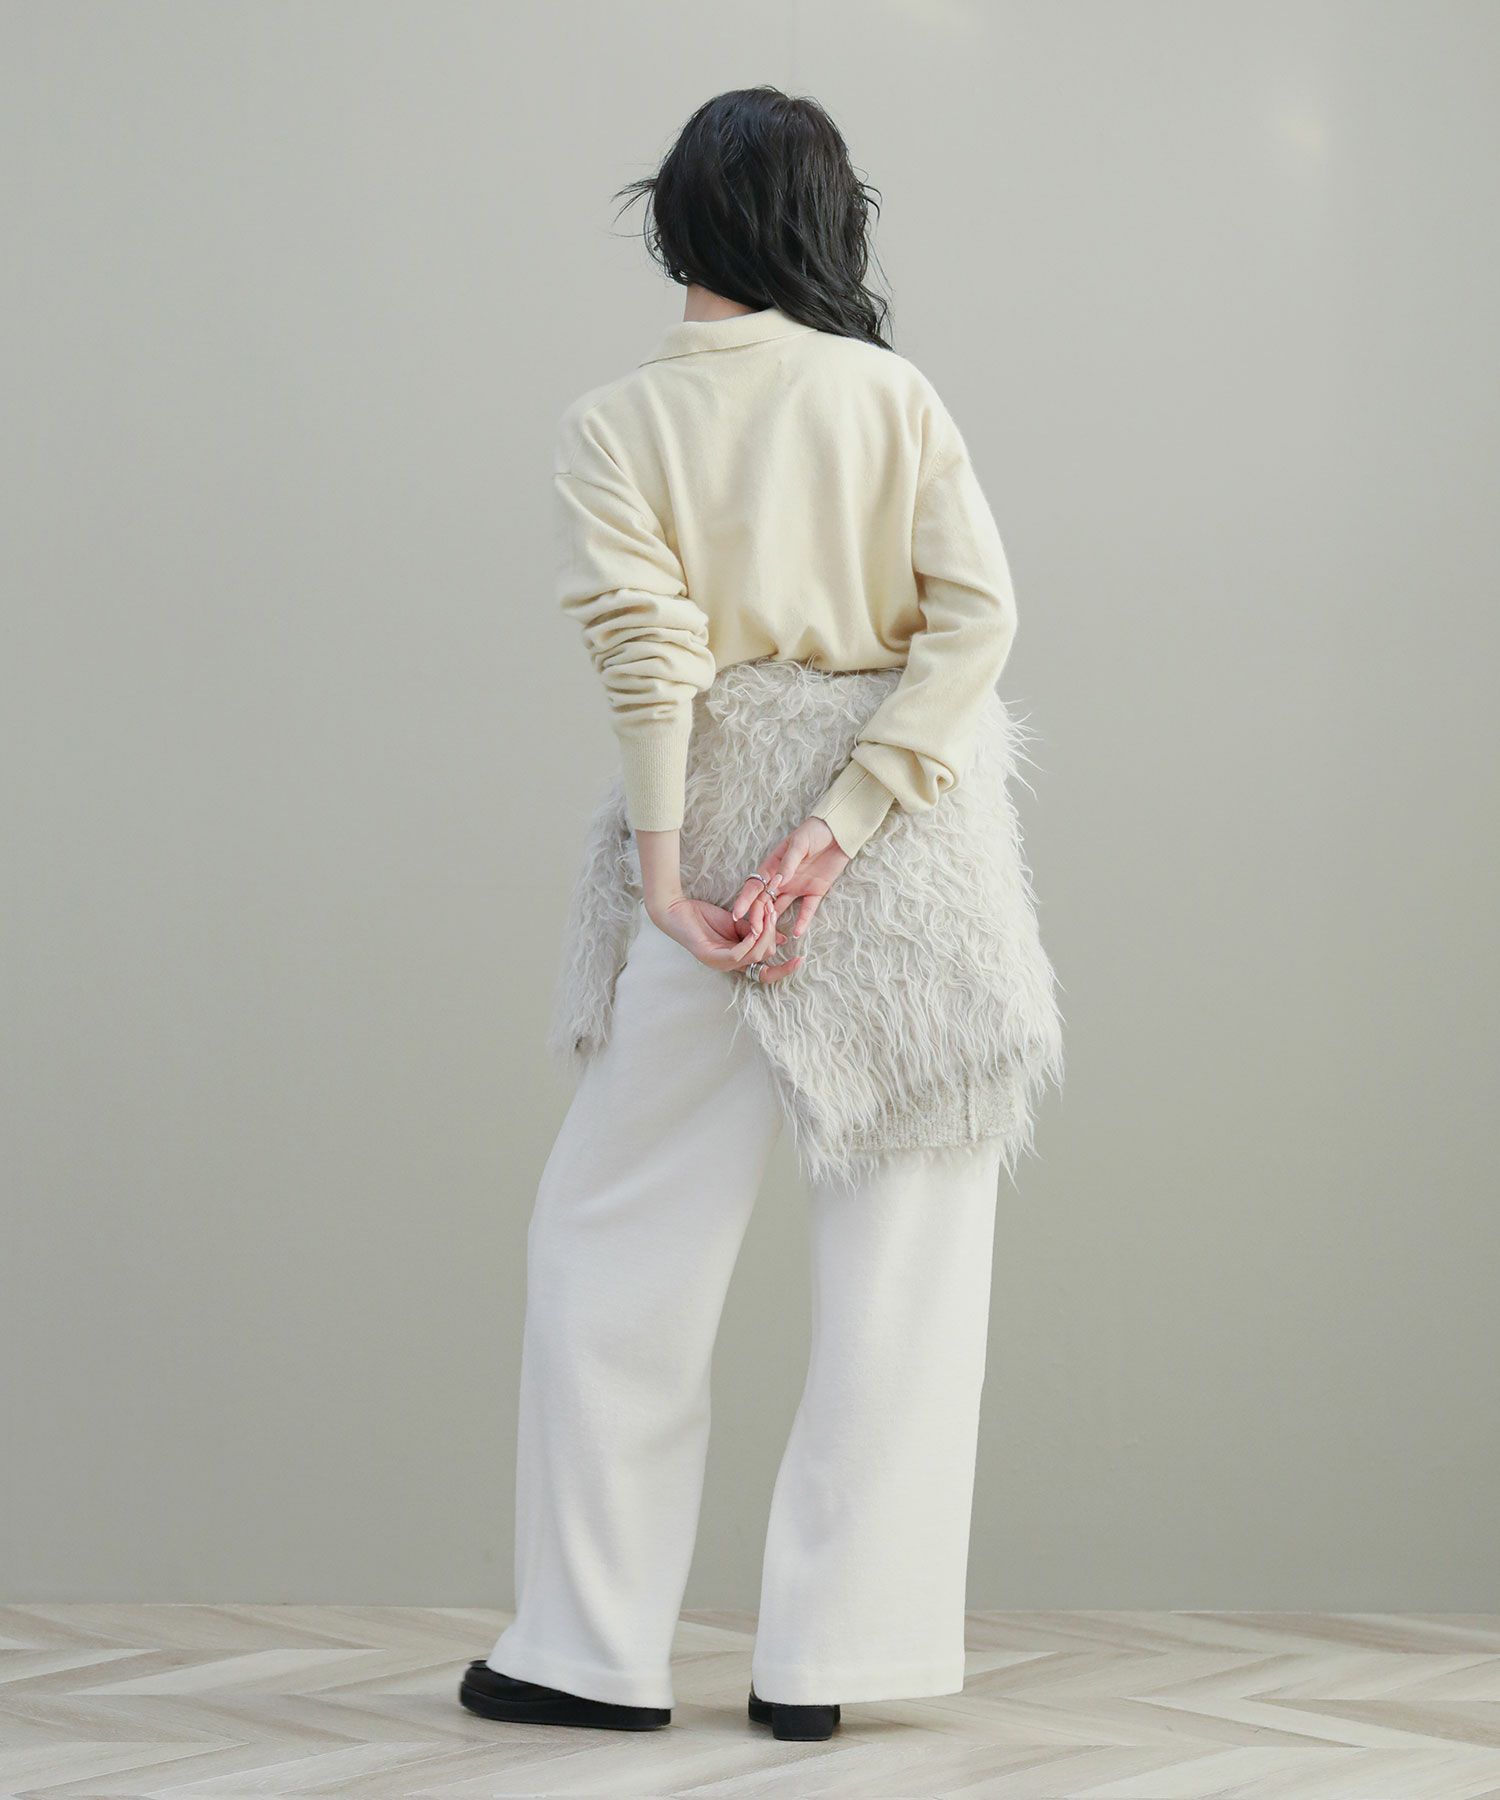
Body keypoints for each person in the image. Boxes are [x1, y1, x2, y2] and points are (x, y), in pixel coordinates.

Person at [459, 85, 1061, 1744]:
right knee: (908, 1265)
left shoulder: (612, 424)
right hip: (916, 862)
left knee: (616, 1236)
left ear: (676, 222)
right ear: (827, 222)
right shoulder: (891, 395)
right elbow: (974, 626)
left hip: (716, 837)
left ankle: (587, 1653)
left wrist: (669, 874)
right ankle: (833, 1663)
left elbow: (648, 654)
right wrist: (846, 826)